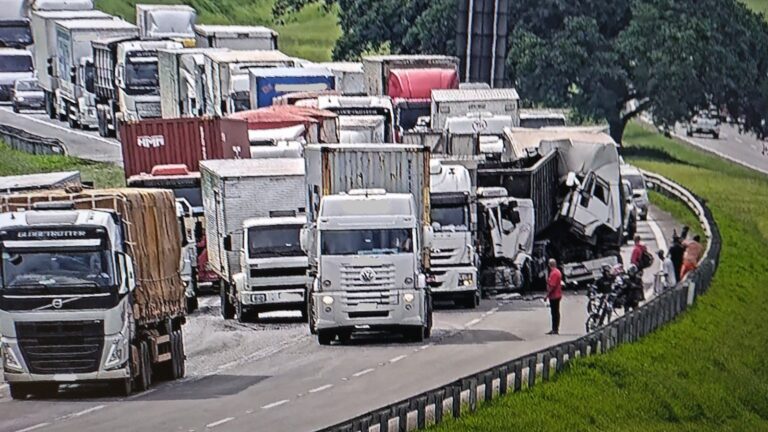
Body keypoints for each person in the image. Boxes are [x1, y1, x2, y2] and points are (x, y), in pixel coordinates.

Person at [545, 258, 562, 335]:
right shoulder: (557, 272)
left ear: (549, 265)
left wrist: (547, 295)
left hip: (554, 296)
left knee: (554, 313)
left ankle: (555, 329)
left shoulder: (554, 273)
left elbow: (552, 286)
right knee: (555, 312)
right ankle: (554, 328)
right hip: (557, 295)